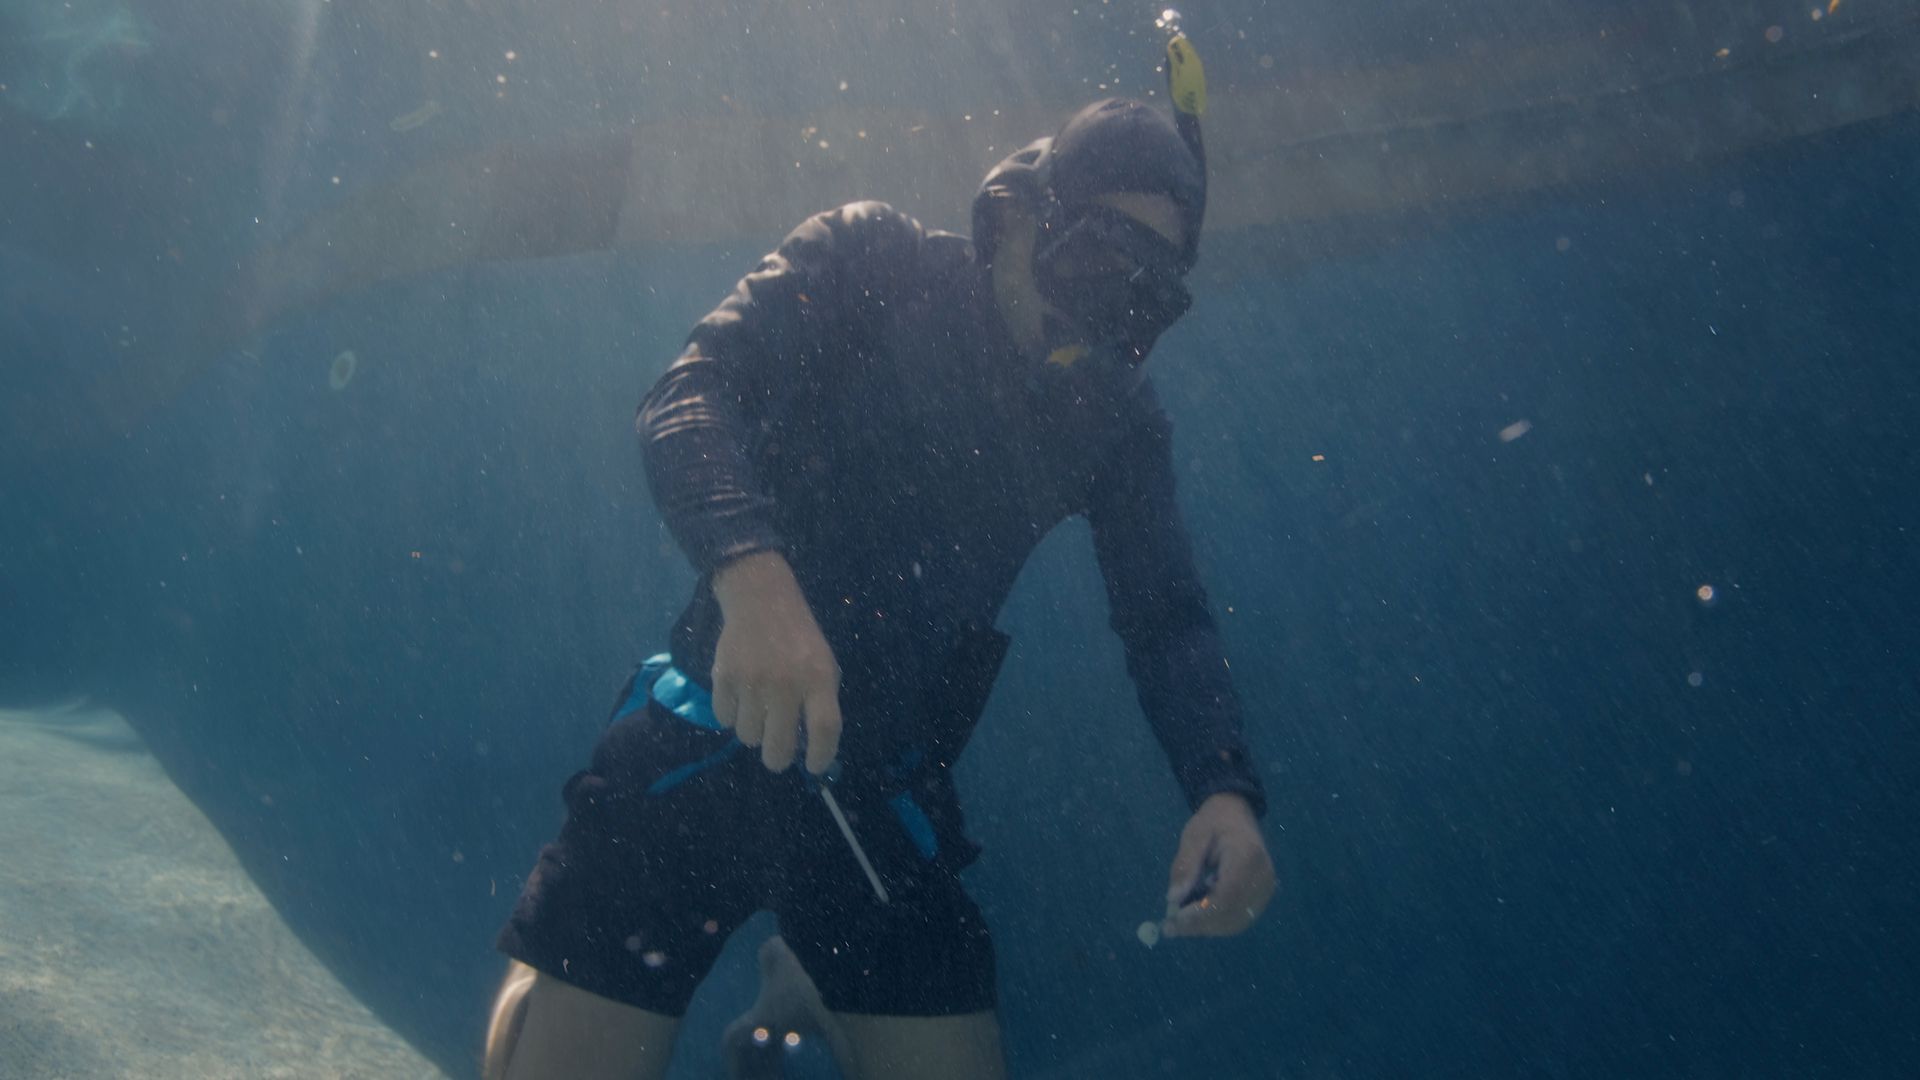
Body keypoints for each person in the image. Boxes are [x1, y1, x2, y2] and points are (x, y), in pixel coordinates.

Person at [484, 92, 1276, 1080]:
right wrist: (754, 578)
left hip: (879, 792)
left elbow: (1167, 619)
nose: (1095, 326)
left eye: (1140, 306)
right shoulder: (869, 261)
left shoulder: (1110, 414)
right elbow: (689, 393)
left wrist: (1224, 791)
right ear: (1027, 214)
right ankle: (547, 986)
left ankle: (806, 982)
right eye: (1093, 269)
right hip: (699, 730)